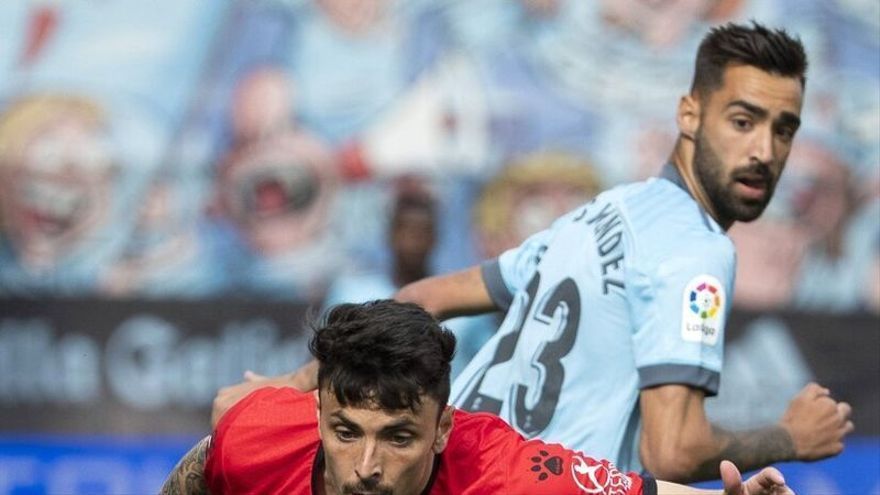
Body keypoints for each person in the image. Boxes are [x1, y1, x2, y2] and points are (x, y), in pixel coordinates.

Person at [210, 22, 854, 482]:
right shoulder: (696, 256)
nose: (765, 151)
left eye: (784, 128)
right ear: (689, 113)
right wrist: (788, 437)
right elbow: (673, 451)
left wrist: (293, 386)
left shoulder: (602, 212)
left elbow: (420, 300)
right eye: (743, 121)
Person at [164, 300, 794, 495]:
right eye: (346, 430)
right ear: (319, 413)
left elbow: (644, 493)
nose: (365, 469)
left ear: (442, 430)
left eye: (399, 437)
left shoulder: (500, 470)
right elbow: (212, 450)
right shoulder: (259, 437)